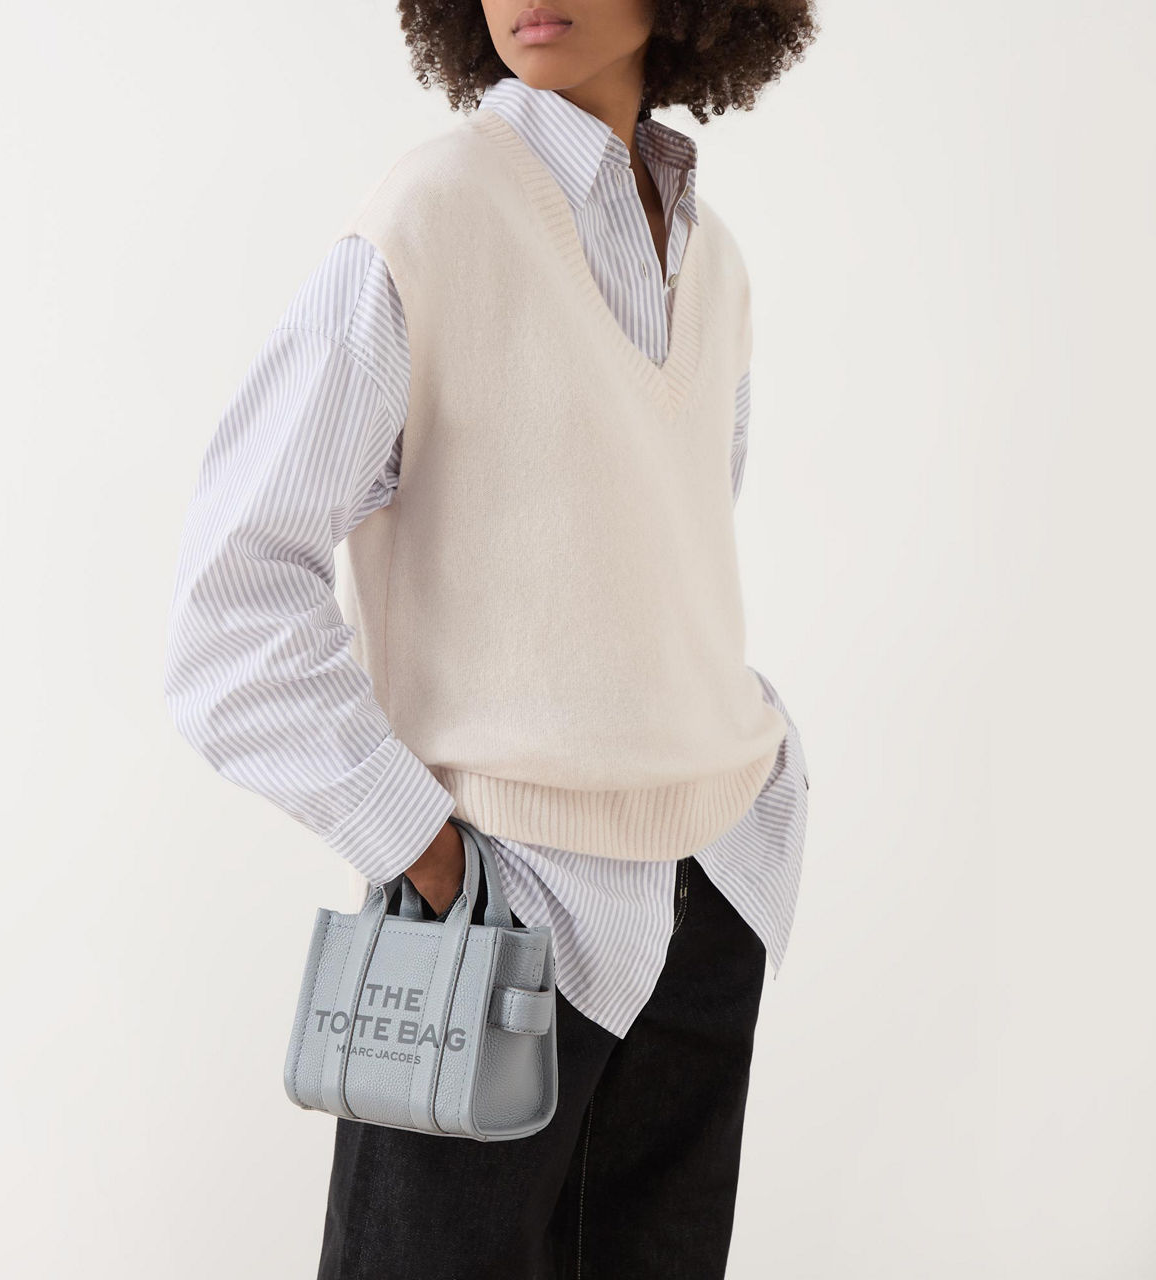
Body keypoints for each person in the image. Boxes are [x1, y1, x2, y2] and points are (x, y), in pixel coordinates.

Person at [164, 1, 818, 1275]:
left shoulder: (714, 260)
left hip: (707, 901)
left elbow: (660, 552)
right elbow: (229, 598)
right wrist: (423, 850)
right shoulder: (433, 215)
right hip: (490, 929)